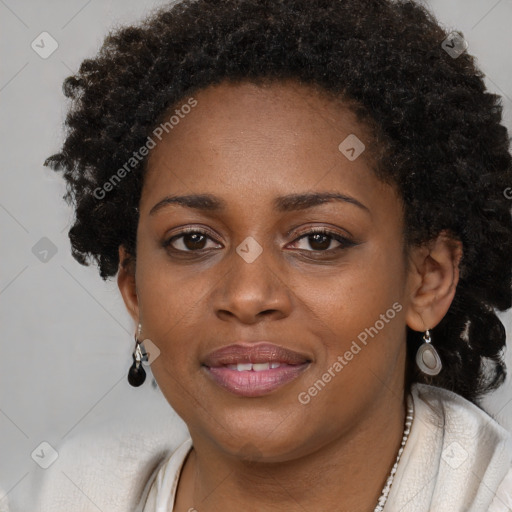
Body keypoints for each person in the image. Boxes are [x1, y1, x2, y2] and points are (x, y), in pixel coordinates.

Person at [34, 0, 512, 510]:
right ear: (133, 288)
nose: (246, 296)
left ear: (428, 278)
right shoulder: (74, 491)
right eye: (193, 240)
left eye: (318, 240)